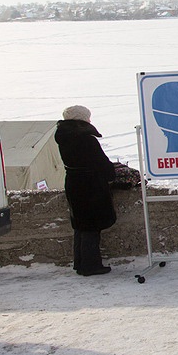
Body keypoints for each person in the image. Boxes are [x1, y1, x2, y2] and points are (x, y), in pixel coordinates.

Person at [54, 105, 117, 276]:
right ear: (81, 119)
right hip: (90, 185)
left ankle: (80, 263)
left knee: (80, 224)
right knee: (91, 225)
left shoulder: (64, 137)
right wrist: (112, 174)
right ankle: (91, 265)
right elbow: (101, 163)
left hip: (73, 182)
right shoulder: (85, 139)